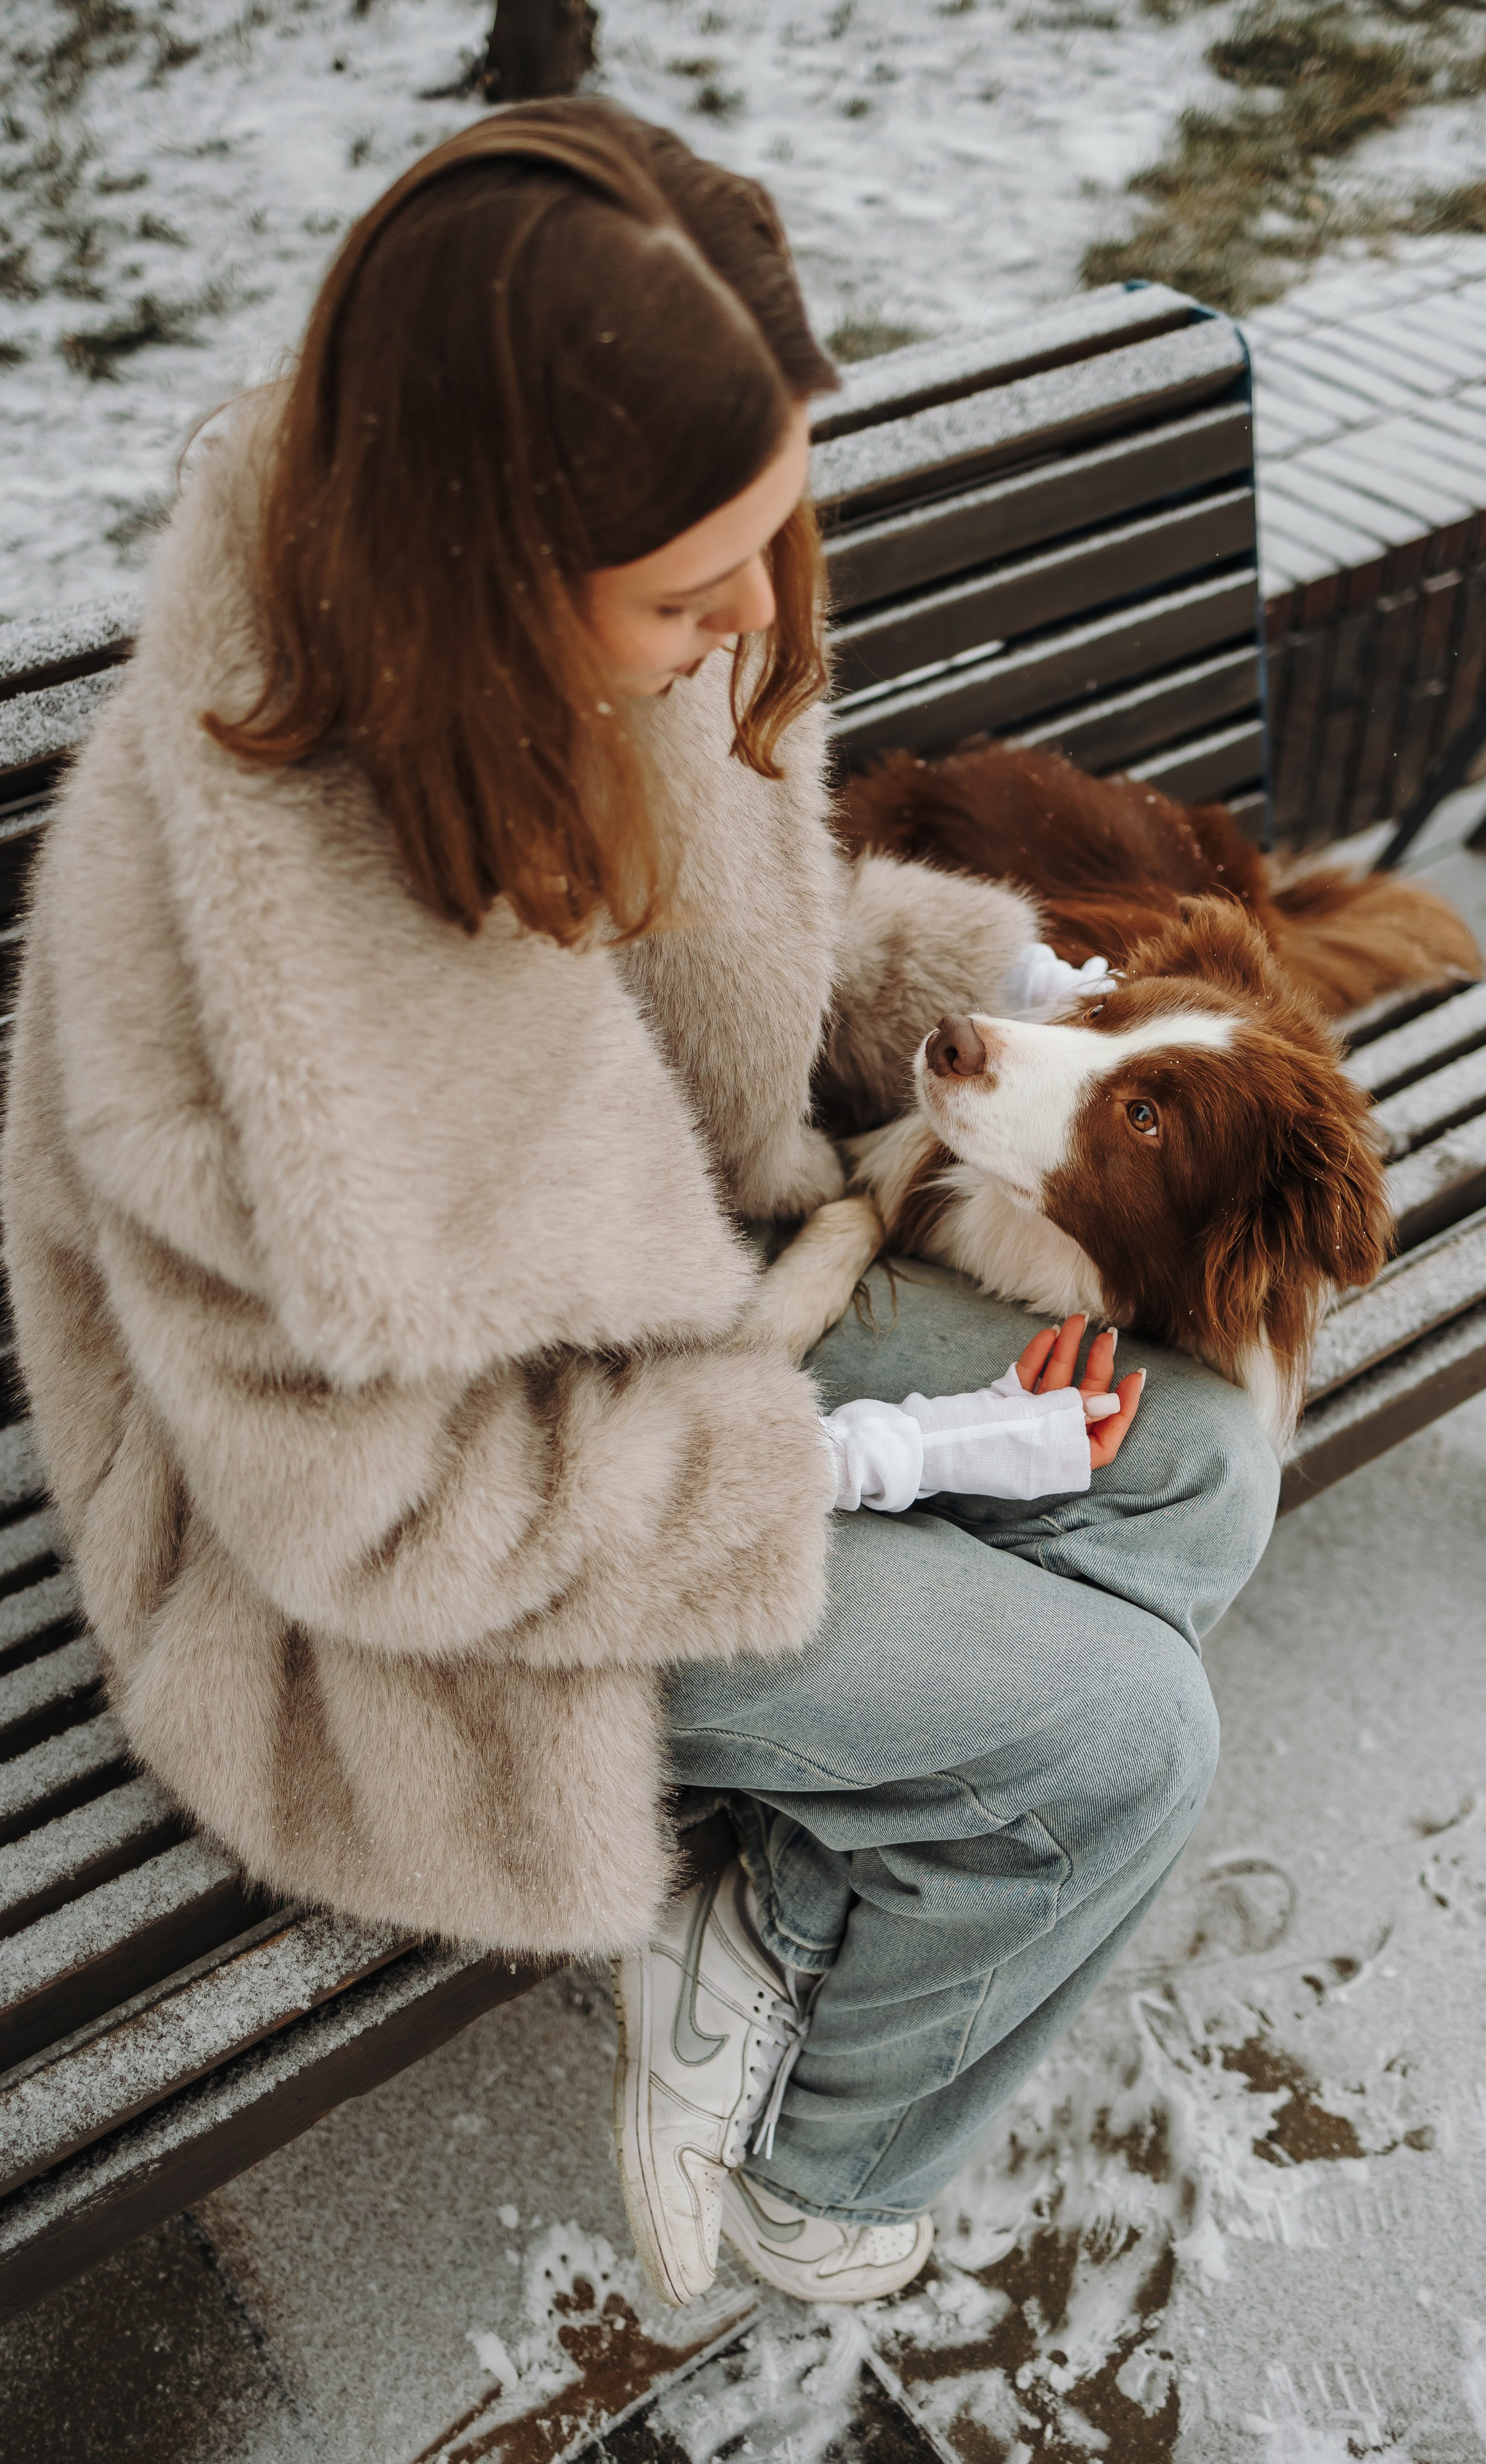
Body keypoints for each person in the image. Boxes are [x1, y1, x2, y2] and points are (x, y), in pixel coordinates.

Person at [0, 101, 1277, 2313]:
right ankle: (830, 2187)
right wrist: (858, 1461)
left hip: (668, 1320)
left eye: (780, 542)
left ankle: (778, 1905)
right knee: (1121, 1742)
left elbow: (728, 959)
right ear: (487, 562)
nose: (758, 626)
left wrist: (986, 998)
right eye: (701, 587)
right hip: (377, 1583)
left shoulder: (618, 630)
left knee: (1199, 1470)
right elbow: (380, 1513)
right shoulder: (261, 964)